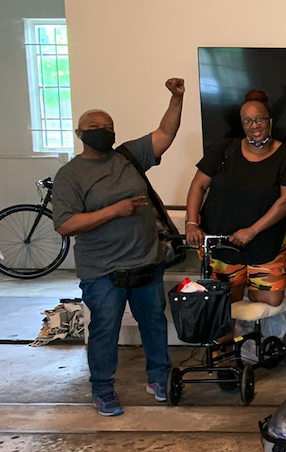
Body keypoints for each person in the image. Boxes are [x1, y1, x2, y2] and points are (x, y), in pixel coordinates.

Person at [52, 78, 185, 416]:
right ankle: (102, 389)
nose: (103, 131)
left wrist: (176, 99)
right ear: (80, 134)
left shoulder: (128, 155)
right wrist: (114, 210)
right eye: (94, 127)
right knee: (105, 330)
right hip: (103, 271)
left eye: (107, 127)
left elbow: (165, 134)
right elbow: (65, 224)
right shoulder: (70, 175)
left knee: (153, 323)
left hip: (146, 261)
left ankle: (159, 378)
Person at [185, 90, 286, 334]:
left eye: (259, 119)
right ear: (242, 124)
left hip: (265, 244)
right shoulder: (225, 149)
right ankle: (228, 348)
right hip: (222, 245)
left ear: (270, 121)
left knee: (270, 301)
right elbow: (198, 185)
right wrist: (191, 223)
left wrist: (252, 231)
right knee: (224, 304)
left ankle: (251, 337)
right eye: (248, 121)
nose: (254, 126)